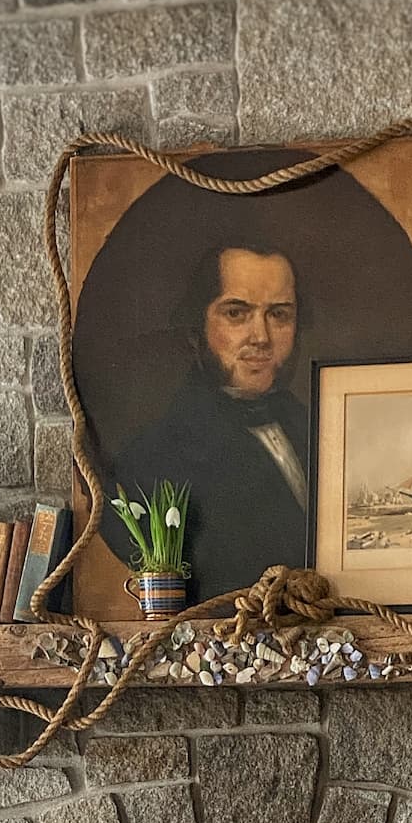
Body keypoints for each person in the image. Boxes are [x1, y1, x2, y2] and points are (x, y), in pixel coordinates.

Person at [101, 240, 310, 600]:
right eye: (236, 313)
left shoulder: (314, 426)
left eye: (278, 314)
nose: (261, 337)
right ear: (195, 329)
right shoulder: (150, 460)